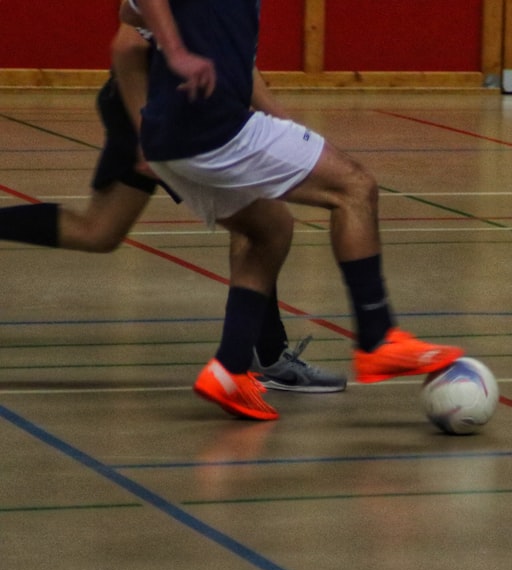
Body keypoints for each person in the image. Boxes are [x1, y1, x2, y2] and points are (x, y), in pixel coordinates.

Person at [120, 0, 464, 421]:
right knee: (355, 187)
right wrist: (176, 51)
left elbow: (129, 11)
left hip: (169, 142)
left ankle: (230, 369)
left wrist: (181, 34)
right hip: (212, 126)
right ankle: (378, 339)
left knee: (270, 228)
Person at [0, 24, 347, 398]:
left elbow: (238, 59)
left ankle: (260, 354)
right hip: (164, 113)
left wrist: (277, 118)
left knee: (98, 231)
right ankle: (265, 354)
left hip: (152, 106)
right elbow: (129, 42)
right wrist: (147, 129)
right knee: (263, 225)